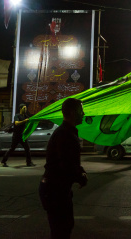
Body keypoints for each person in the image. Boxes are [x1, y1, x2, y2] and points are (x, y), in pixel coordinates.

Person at [39, 98, 88, 239]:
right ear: (73, 112)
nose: (83, 114)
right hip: (54, 191)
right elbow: (65, 164)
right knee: (61, 230)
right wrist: (80, 177)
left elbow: (69, 161)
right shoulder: (65, 134)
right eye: (81, 110)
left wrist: (80, 171)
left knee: (64, 228)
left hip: (57, 190)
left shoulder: (67, 132)